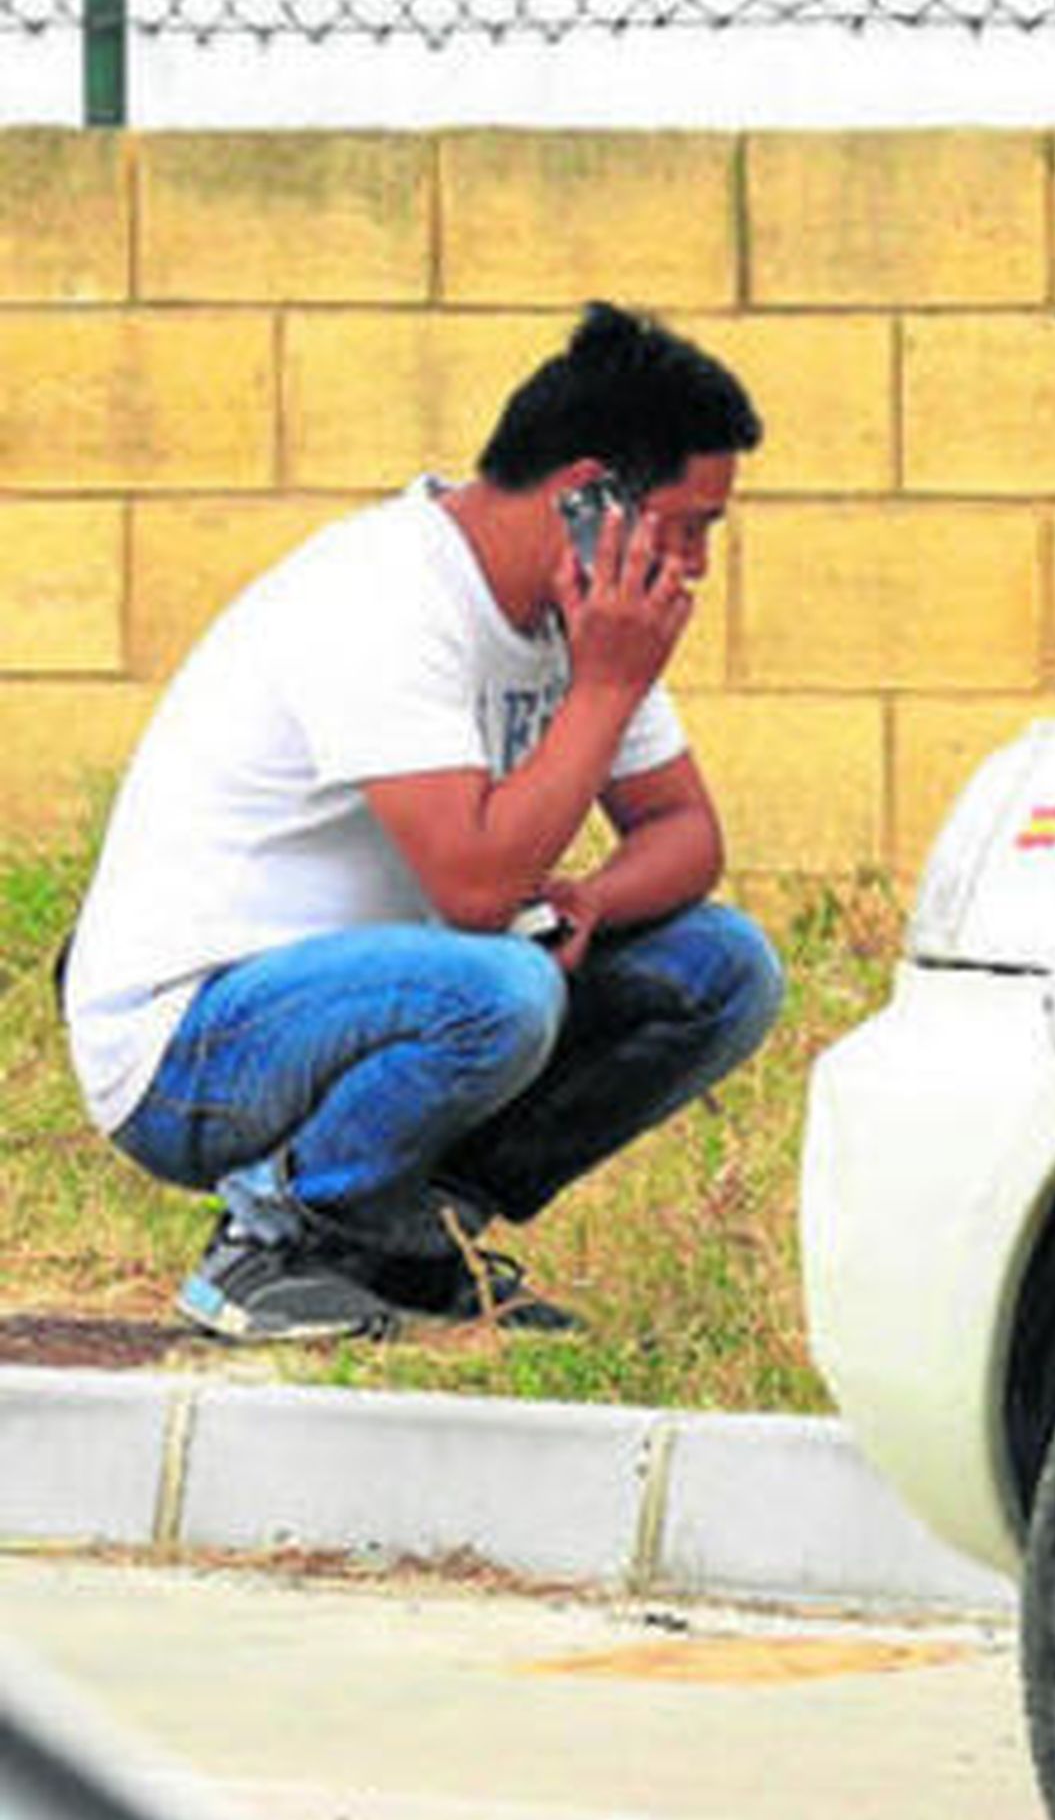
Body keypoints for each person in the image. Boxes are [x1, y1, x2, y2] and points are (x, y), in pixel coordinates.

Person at [62, 303, 784, 1343]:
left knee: (723, 969)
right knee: (500, 986)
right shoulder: (384, 595)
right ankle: (264, 1248)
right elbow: (477, 890)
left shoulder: (575, 613)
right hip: (188, 1047)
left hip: (373, 1012)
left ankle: (398, 1233)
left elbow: (684, 836)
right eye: (688, 524)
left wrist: (593, 895)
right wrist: (607, 688)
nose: (698, 565)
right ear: (586, 497)